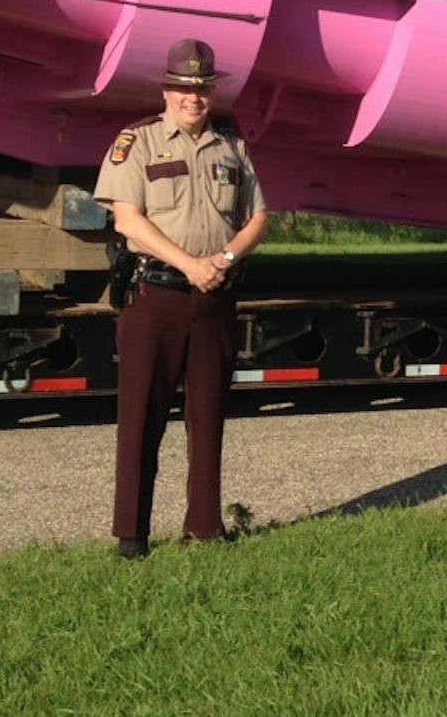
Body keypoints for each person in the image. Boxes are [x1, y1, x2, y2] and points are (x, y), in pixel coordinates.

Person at [93, 37, 269, 558]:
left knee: (209, 416)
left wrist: (226, 260)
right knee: (141, 418)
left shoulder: (231, 147)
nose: (193, 98)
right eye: (184, 88)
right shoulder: (138, 142)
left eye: (203, 89)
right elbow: (128, 220)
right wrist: (190, 264)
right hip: (156, 298)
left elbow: (259, 217)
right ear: (167, 90)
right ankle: (132, 535)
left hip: (213, 299)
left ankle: (206, 528)